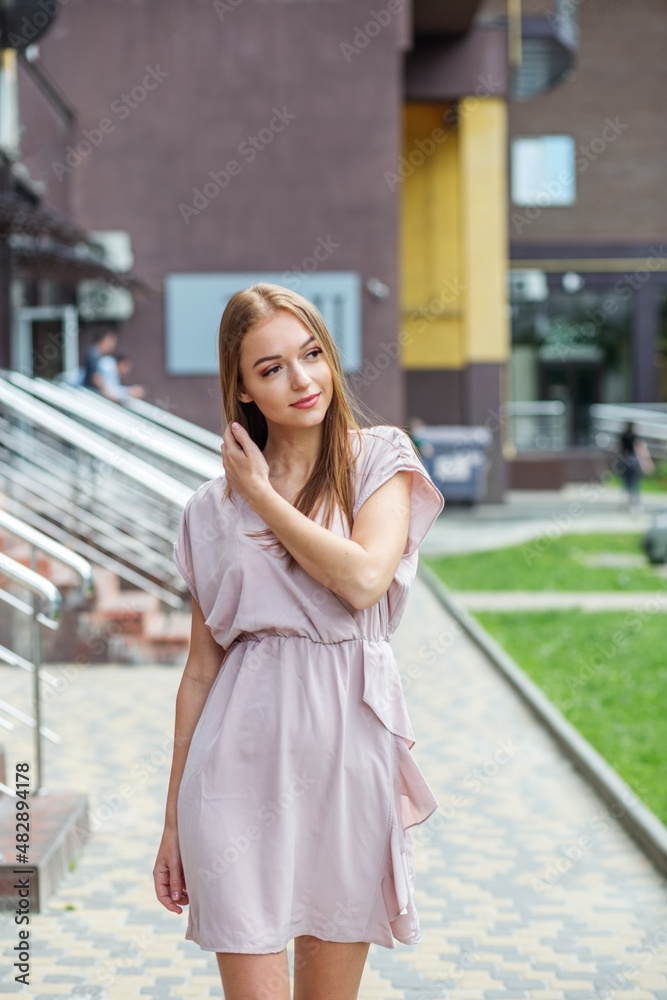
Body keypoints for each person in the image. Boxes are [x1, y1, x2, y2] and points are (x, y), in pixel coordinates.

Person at [153, 282, 445, 999]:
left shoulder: (376, 459)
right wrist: (170, 825)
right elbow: (199, 671)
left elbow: (363, 579)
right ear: (243, 390)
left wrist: (261, 497)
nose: (302, 379)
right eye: (271, 368)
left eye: (310, 354)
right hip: (233, 768)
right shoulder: (208, 509)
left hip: (348, 754)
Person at [617, 421, 654, 511]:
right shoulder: (634, 437)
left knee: (627, 484)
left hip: (625, 460)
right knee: (634, 483)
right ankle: (634, 504)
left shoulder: (624, 436)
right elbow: (640, 449)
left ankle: (629, 503)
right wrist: (646, 461)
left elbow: (619, 449)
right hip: (632, 460)